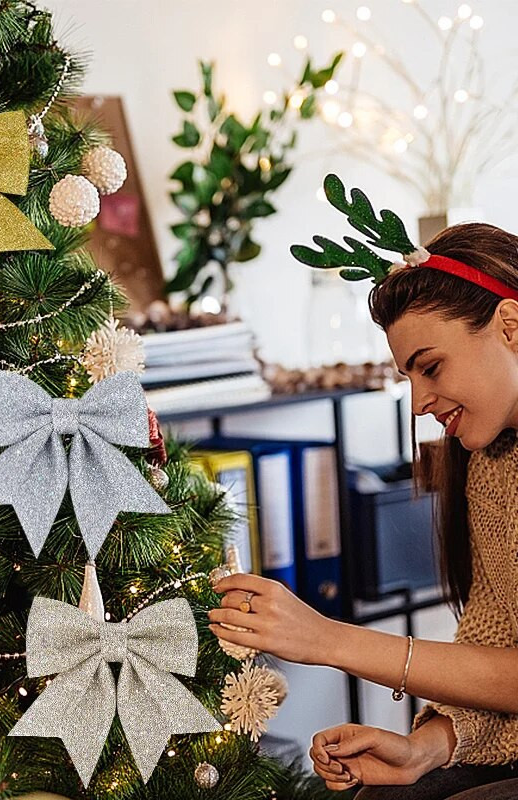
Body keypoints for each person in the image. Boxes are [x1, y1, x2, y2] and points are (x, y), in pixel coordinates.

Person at [208, 175, 518, 799]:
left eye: (430, 367)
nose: (421, 402)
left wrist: (324, 638)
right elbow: (494, 643)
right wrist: (422, 748)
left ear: (510, 324)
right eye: (409, 377)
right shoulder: (490, 468)